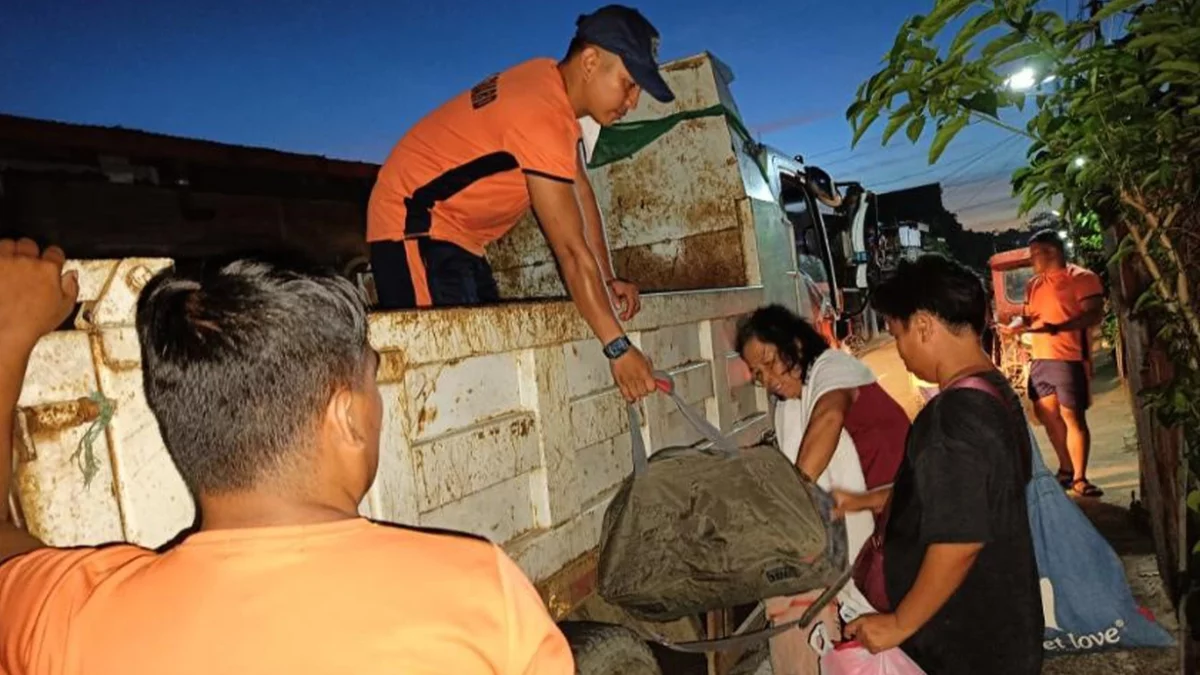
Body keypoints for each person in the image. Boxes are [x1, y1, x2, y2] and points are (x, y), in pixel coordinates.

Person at [0, 239, 573, 675]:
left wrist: (7, 336)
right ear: (348, 417)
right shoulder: (478, 592)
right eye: (374, 383)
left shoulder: (78, 622)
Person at [367, 4, 674, 403]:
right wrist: (617, 346)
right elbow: (567, 249)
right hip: (412, 225)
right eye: (629, 84)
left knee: (486, 364)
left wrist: (607, 278)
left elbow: (581, 193)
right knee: (443, 384)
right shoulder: (540, 112)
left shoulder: (549, 87)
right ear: (591, 60)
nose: (632, 102)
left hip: (461, 237)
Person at [840, 255, 1042, 675]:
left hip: (963, 639)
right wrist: (869, 500)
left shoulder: (953, 416)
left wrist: (898, 624)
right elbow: (962, 491)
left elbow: (958, 539)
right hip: (999, 624)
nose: (899, 351)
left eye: (897, 335)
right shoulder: (993, 390)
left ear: (925, 326)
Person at [736, 305, 910, 674]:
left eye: (769, 361)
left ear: (795, 345)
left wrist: (794, 501)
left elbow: (828, 418)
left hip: (899, 511)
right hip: (872, 520)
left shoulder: (833, 368)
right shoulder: (789, 406)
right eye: (757, 374)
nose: (767, 380)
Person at [1000, 229, 1105, 497]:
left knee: (1072, 417)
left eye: (1035, 254)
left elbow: (1093, 315)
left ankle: (1081, 477)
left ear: (1052, 252)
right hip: (1040, 358)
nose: (1031, 260)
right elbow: (1026, 317)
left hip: (1069, 357)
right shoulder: (1034, 285)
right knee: (1048, 417)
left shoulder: (1082, 278)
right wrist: (1013, 327)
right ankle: (1066, 469)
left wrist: (1056, 328)